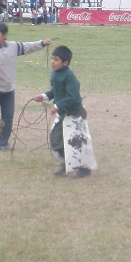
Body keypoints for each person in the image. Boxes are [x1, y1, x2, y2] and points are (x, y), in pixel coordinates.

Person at [0, 23, 51, 150]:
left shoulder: (13, 46)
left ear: (4, 35)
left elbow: (28, 47)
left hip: (9, 91)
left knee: (8, 117)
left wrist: (42, 43)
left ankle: (3, 142)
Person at [33, 45, 97, 178]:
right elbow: (54, 91)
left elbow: (72, 97)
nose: (52, 62)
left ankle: (84, 168)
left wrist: (57, 105)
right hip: (63, 114)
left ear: (65, 62)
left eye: (56, 59)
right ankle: (66, 163)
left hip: (75, 114)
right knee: (56, 139)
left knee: (77, 142)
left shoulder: (70, 77)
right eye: (52, 59)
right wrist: (44, 96)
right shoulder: (55, 74)